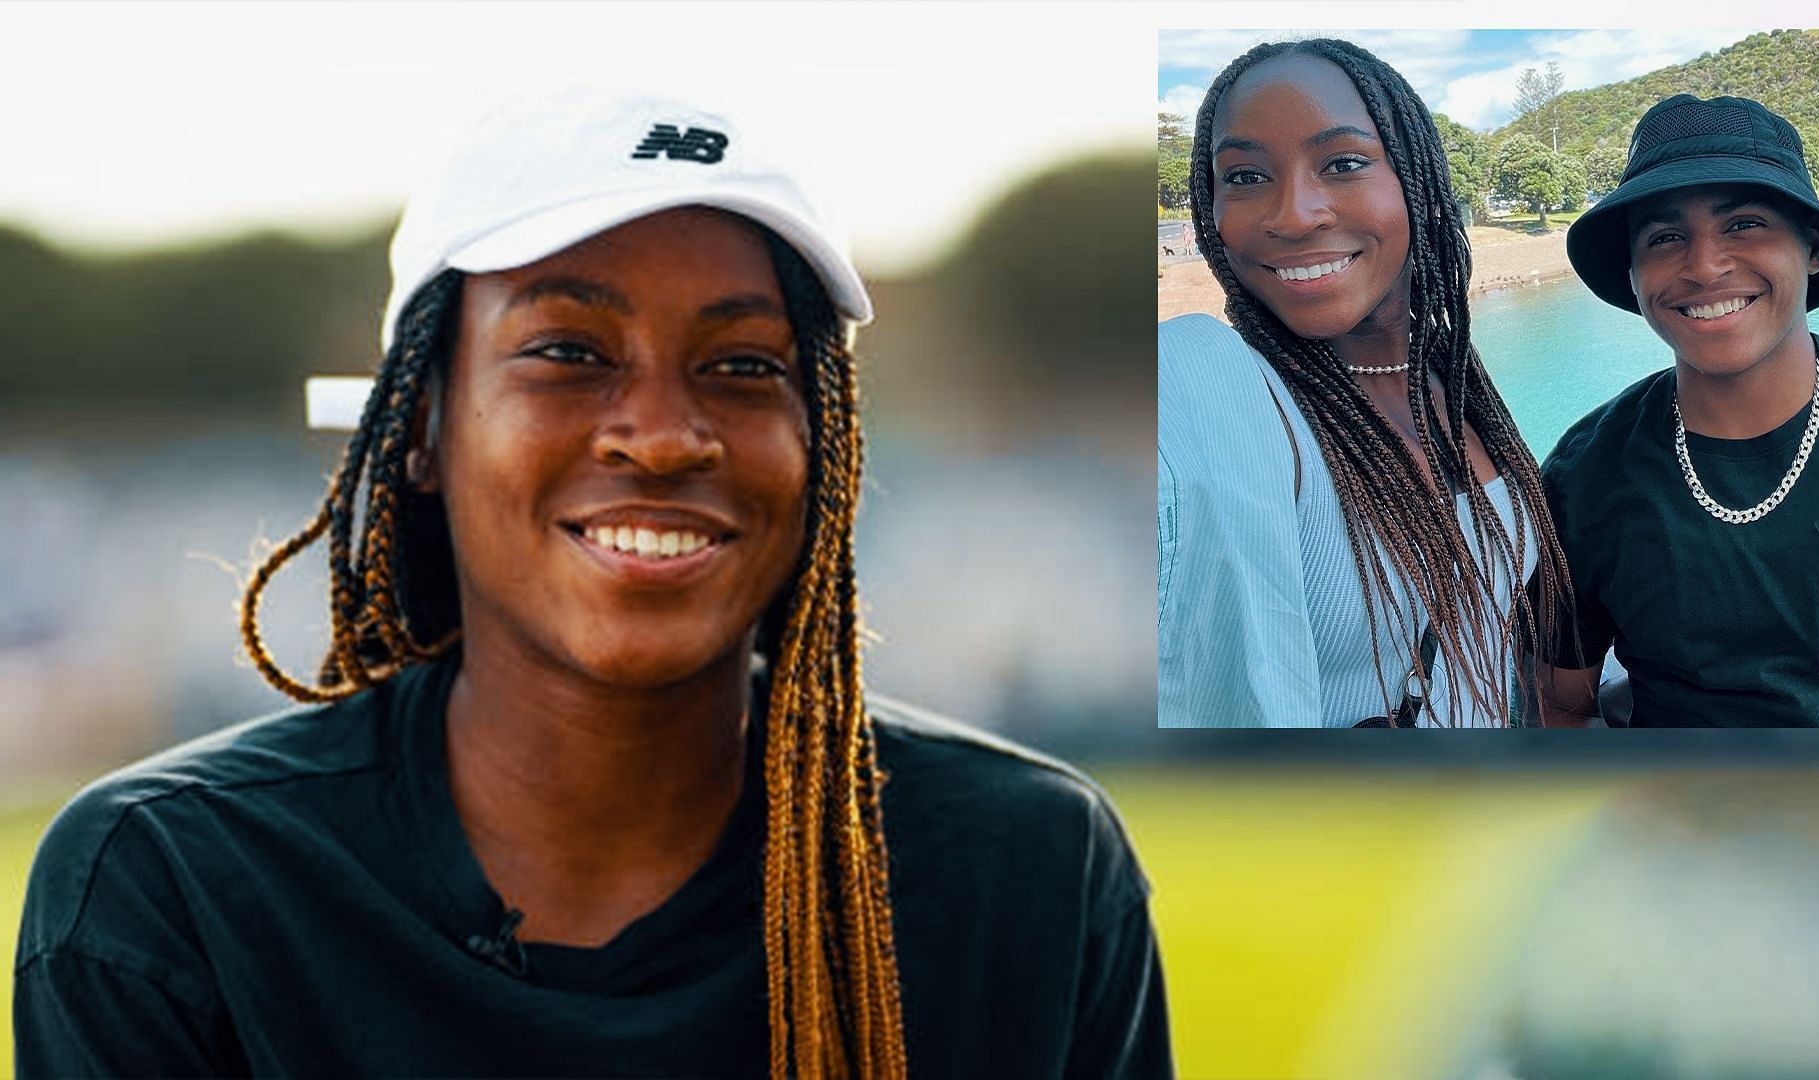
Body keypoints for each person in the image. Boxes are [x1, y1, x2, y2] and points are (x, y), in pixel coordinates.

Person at [13, 88, 1172, 1078]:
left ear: (825, 440)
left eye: (743, 366)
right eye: (569, 352)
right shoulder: (176, 888)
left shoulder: (1030, 872)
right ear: (418, 425)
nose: (666, 437)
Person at [1157, 38, 1575, 728]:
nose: (1293, 214)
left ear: (1419, 183)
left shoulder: (1456, 385)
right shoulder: (1215, 393)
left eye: (1344, 163)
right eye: (1245, 177)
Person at [1533, 94, 1819, 727]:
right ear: (1635, 272)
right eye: (1666, 237)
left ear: (1811, 248)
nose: (1704, 267)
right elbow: (1561, 703)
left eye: (1744, 224)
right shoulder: (1585, 473)